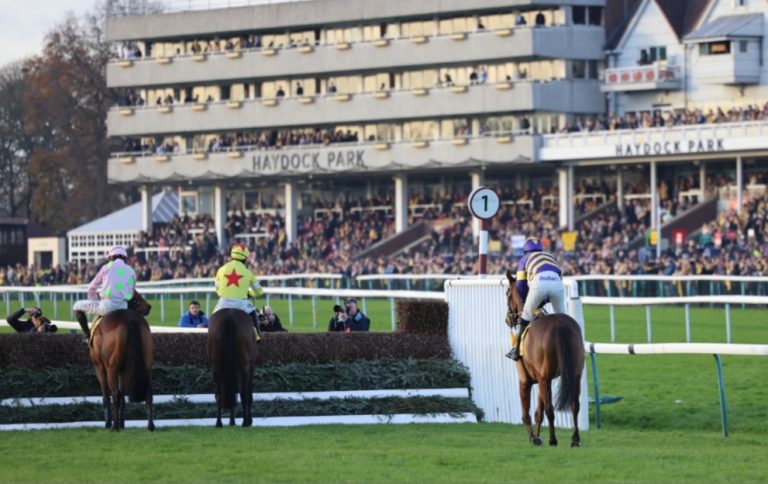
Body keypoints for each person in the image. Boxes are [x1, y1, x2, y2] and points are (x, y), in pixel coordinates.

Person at [506, 237, 566, 361]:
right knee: (562, 319)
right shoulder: (550, 256)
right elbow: (559, 275)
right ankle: (565, 348)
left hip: (539, 284)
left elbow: (520, 286)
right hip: (558, 285)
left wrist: (526, 302)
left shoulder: (524, 259)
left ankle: (516, 351)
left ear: (525, 251)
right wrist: (546, 300)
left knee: (525, 318)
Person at [73, 246, 136, 339]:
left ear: (112, 257)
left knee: (76, 306)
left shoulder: (106, 267)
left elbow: (91, 288)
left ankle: (86, 335)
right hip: (123, 307)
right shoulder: (131, 271)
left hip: (106, 307)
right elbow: (130, 295)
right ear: (124, 257)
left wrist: (94, 301)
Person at [213, 243, 264, 334]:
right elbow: (259, 291)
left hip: (223, 303)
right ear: (245, 258)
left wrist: (224, 294)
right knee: (253, 312)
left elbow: (217, 288)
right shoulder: (248, 273)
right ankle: (257, 334)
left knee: (212, 321)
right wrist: (249, 293)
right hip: (241, 304)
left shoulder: (221, 269)